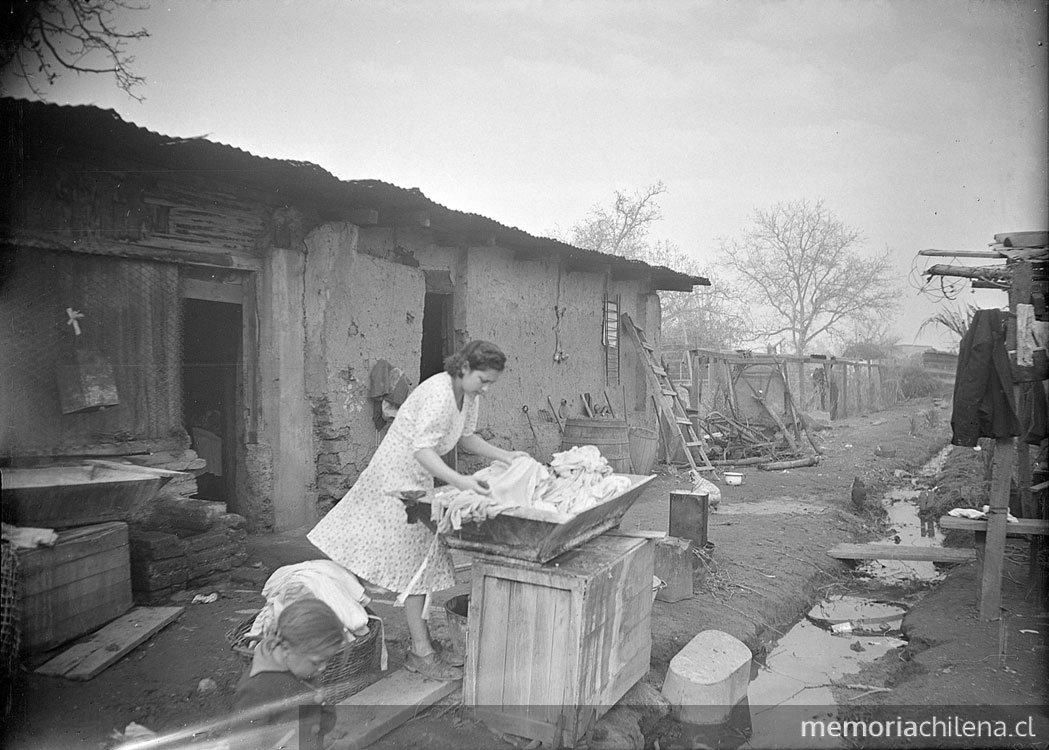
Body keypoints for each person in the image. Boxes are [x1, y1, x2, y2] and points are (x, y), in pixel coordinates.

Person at [308, 340, 528, 681]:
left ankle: (419, 645)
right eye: (483, 380)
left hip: (418, 482)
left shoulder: (468, 397)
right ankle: (420, 653)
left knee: (422, 563)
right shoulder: (439, 393)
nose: (486, 388)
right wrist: (461, 482)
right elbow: (422, 450)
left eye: (491, 383)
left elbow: (466, 437)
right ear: (465, 368)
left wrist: (504, 455)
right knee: (415, 567)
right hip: (396, 481)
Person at [232, 598, 344, 749]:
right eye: (317, 662)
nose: (323, 667)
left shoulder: (301, 665)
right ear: (285, 648)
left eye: (327, 660)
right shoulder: (258, 688)